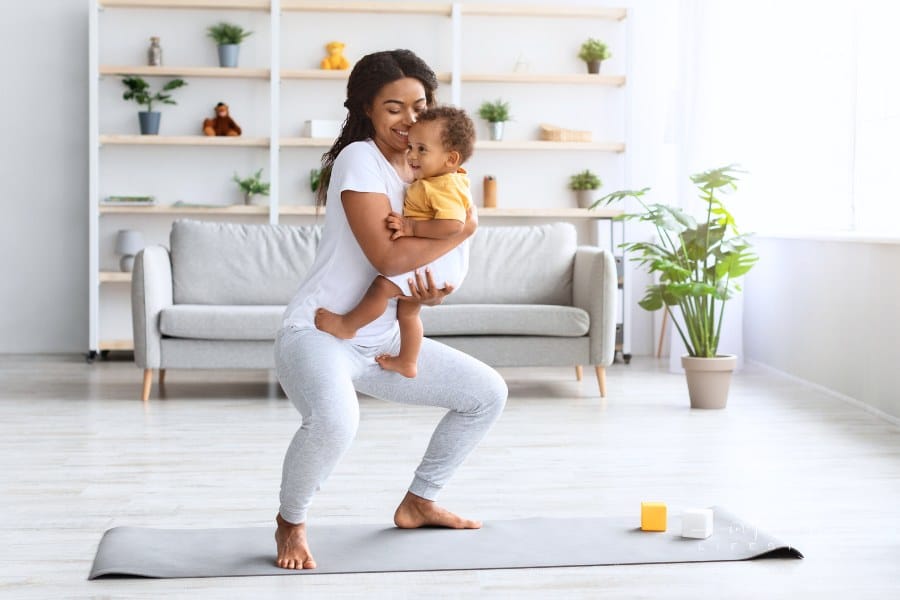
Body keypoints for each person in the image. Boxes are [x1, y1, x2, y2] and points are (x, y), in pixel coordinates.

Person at [274, 49, 508, 571]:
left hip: (382, 339)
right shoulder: (360, 158)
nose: (407, 121)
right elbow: (387, 255)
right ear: (366, 110)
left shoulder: (427, 168)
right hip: (319, 332)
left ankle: (419, 502)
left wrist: (429, 294)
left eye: (418, 106)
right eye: (393, 108)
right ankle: (291, 521)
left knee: (486, 393)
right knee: (336, 421)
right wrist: (463, 231)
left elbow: (414, 266)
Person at [314, 105, 476, 379]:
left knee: (381, 287)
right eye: (411, 147)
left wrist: (411, 226)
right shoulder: (441, 180)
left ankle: (347, 325)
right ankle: (408, 361)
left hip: (438, 261)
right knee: (409, 313)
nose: (411, 155)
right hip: (442, 263)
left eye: (421, 150)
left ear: (451, 159)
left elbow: (454, 225)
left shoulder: (444, 186)